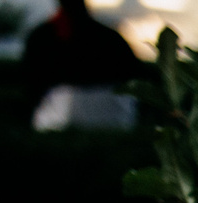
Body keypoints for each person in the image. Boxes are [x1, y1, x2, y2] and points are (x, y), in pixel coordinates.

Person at [18, 0, 141, 129]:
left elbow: (32, 85)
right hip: (115, 116)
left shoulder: (42, 37)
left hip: (68, 114)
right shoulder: (113, 39)